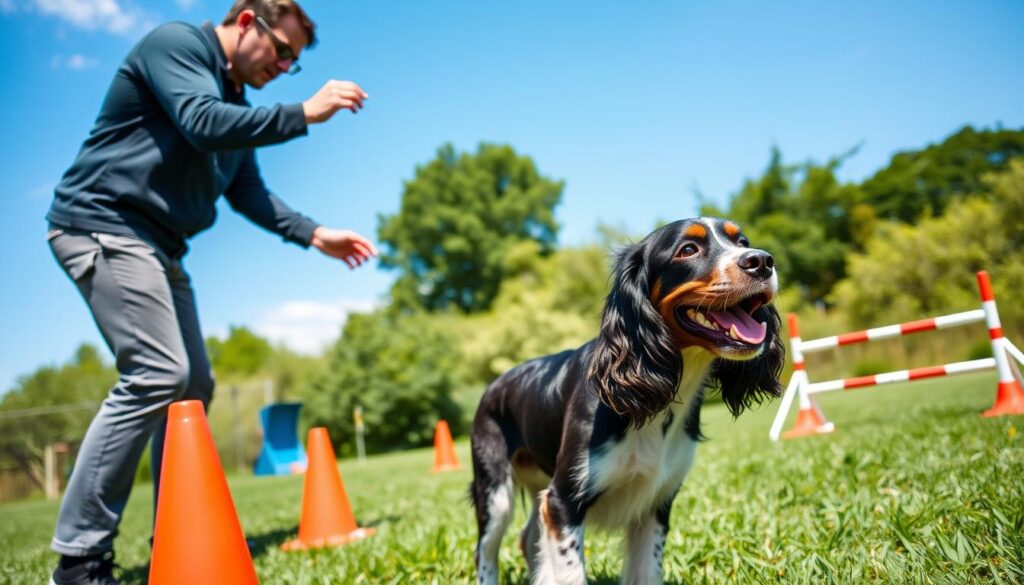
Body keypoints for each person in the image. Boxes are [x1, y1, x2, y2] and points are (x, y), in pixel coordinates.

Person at [45, 1, 375, 583]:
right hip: (105, 225)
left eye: (293, 62)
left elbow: (249, 192)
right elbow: (200, 120)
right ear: (247, 21)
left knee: (192, 388)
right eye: (281, 51)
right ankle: (80, 556)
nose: (283, 66)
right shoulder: (176, 46)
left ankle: (176, 526)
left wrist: (315, 233)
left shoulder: (236, 109)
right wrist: (303, 113)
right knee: (157, 373)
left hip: (162, 247)